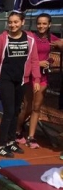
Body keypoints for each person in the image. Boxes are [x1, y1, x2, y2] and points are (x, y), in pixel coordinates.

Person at [0, 11, 41, 157]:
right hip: (5, 80)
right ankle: (1, 144)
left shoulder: (30, 38)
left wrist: (36, 79)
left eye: (16, 22)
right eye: (10, 22)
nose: (12, 25)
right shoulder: (2, 39)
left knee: (16, 111)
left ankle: (11, 141)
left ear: (22, 22)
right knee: (9, 112)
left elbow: (34, 60)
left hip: (22, 80)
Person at [16, 13, 63, 148]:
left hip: (43, 77)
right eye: (39, 23)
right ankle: (17, 131)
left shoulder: (52, 38)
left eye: (44, 24)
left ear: (49, 25)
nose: (41, 26)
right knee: (27, 107)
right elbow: (22, 58)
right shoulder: (30, 37)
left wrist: (59, 45)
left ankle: (31, 137)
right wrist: (38, 63)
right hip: (29, 76)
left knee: (36, 108)